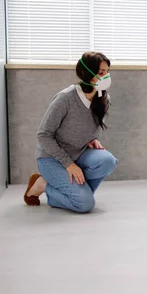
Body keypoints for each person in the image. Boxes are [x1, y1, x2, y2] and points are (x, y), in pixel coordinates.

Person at [23, 51, 118, 213]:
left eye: (107, 72)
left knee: (108, 161)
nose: (106, 77)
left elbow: (89, 126)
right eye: (101, 73)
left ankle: (77, 193)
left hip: (79, 153)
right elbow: (43, 135)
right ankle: (42, 184)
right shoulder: (65, 98)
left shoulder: (103, 99)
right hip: (51, 159)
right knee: (84, 204)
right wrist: (69, 164)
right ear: (86, 73)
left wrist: (92, 138)